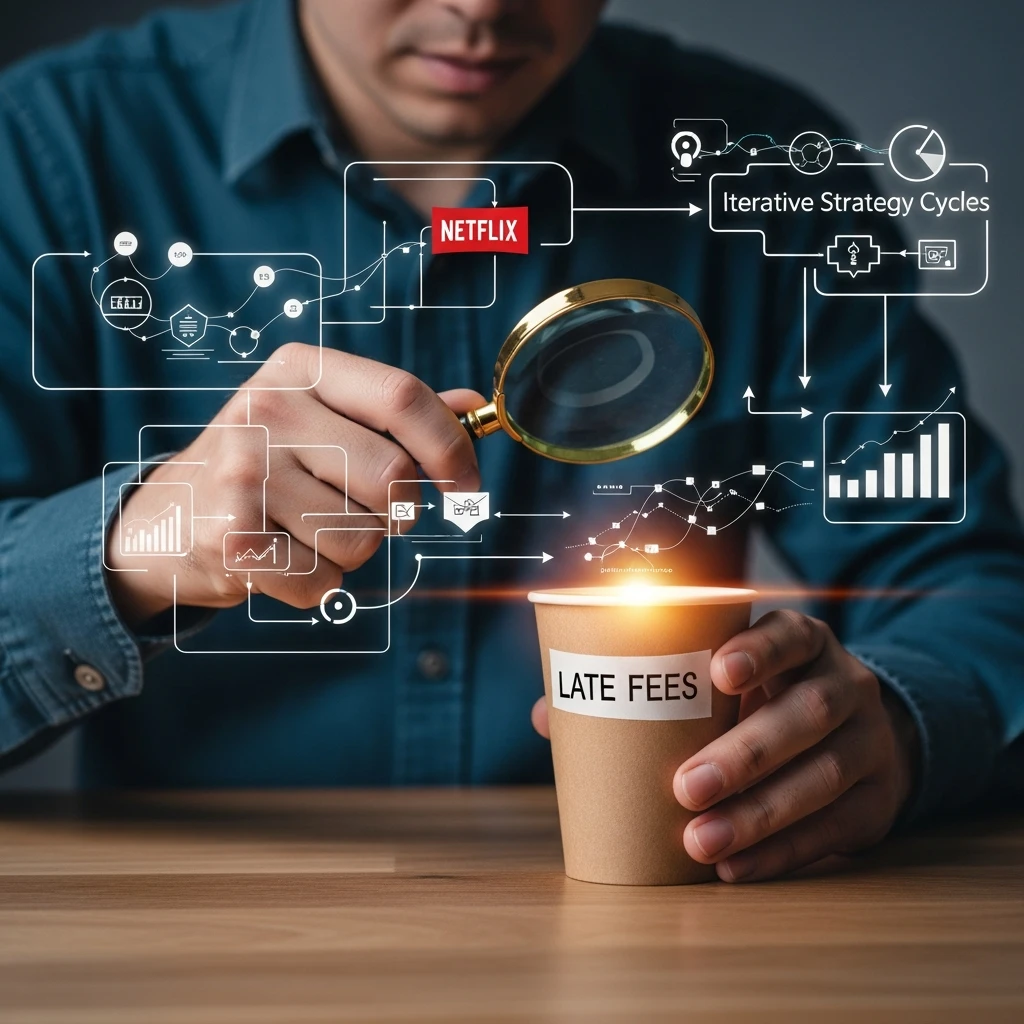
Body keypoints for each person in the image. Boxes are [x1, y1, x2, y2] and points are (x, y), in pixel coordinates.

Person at [0, 0, 1021, 884]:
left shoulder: (762, 174)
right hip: (203, 946)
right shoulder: (47, 150)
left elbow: (973, 584)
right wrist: (130, 545)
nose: (481, 9)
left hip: (670, 934)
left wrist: (897, 725)